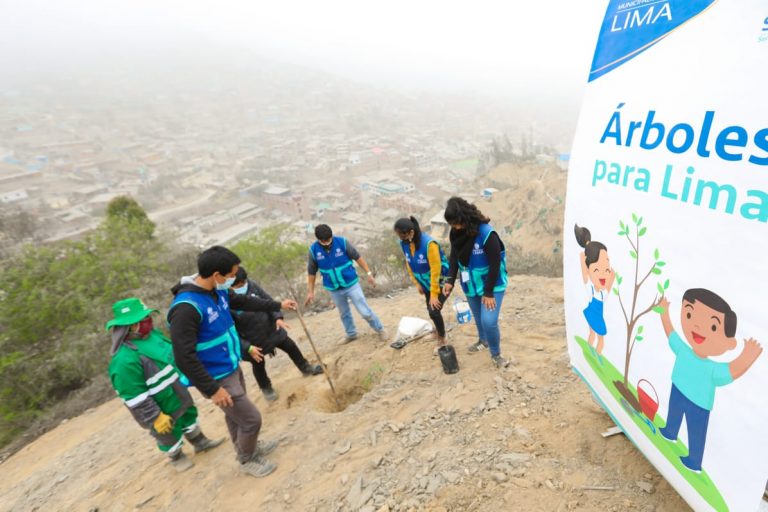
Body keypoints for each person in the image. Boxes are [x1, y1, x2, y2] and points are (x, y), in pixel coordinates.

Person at [168, 245, 298, 478]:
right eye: (230, 276)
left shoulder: (215, 291)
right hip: (215, 376)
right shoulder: (186, 308)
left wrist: (277, 305)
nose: (232, 280)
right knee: (251, 419)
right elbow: (183, 357)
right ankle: (246, 459)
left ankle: (246, 447)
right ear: (216, 275)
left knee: (235, 415)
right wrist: (212, 389)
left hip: (230, 365)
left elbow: (246, 302)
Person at [107, 297, 223, 472]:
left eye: (147, 317)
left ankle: (199, 441)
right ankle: (176, 456)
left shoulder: (153, 336)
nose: (148, 321)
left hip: (177, 390)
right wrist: (154, 416)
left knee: (188, 414)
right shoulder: (124, 360)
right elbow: (133, 395)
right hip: (158, 404)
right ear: (128, 326)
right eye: (142, 320)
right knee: (168, 431)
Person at [657, 289, 762, 472]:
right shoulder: (683, 350)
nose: (697, 327)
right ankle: (670, 431)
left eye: (713, 327)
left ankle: (694, 461)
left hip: (699, 404)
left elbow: (731, 371)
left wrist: (747, 357)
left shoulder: (712, 369)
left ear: (730, 343)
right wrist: (664, 314)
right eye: (689, 314)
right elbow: (671, 333)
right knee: (673, 414)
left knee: (696, 432)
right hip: (678, 389)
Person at [231, 267, 323, 402]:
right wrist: (247, 347)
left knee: (290, 345)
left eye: (244, 282)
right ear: (230, 284)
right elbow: (230, 331)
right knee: (258, 364)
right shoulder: (226, 300)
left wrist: (278, 318)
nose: (243, 286)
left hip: (270, 329)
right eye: (239, 284)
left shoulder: (252, 285)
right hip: (251, 341)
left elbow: (268, 301)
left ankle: (306, 368)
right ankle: (266, 388)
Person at [441, 197, 510, 368]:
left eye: (457, 223)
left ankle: (496, 354)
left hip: (492, 284)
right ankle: (483, 340)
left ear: (464, 217)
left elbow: (495, 264)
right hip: (470, 283)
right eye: (452, 225)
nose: (455, 227)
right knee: (478, 317)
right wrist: (450, 279)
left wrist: (488, 292)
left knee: (489, 321)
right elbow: (455, 256)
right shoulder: (456, 233)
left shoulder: (486, 233)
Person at [305, 224, 387, 342]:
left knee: (364, 311)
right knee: (344, 313)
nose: (327, 242)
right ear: (318, 240)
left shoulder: (342, 243)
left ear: (331, 236)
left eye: (329, 239)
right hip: (333, 288)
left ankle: (380, 329)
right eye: (324, 241)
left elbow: (358, 257)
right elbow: (311, 272)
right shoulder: (313, 250)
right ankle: (351, 334)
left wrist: (369, 274)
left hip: (351, 284)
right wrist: (310, 292)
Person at [393, 216, 450, 347]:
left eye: (401, 236)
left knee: (434, 310)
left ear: (410, 233)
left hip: (441, 281)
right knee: (431, 309)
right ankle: (438, 331)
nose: (400, 239)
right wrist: (417, 283)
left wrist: (435, 293)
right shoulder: (405, 243)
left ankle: (442, 339)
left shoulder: (429, 245)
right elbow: (409, 262)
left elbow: (436, 270)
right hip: (425, 283)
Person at [574, 224, 615, 361]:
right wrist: (582, 258)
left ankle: (592, 355)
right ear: (589, 270)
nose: (604, 274)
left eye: (607, 269)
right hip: (594, 314)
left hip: (594, 314)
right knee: (599, 338)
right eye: (597, 270)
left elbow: (609, 283)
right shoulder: (591, 288)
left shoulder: (602, 293)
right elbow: (585, 273)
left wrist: (612, 276)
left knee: (594, 335)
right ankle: (595, 357)